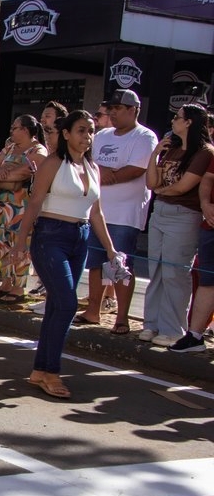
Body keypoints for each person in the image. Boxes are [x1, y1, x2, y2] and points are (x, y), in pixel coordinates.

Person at [10, 110, 116, 399]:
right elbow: (34, 204)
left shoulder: (93, 167)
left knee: (58, 306)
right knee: (68, 304)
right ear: (66, 133)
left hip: (80, 237)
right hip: (50, 235)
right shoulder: (53, 163)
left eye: (91, 131)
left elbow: (97, 212)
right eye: (81, 130)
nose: (88, 136)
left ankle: (40, 370)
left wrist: (110, 249)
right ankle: (51, 372)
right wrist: (20, 243)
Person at [77, 90, 159, 335]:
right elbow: (85, 162)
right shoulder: (102, 135)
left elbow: (135, 170)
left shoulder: (145, 136)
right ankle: (93, 310)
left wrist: (103, 173)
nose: (112, 113)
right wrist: (104, 172)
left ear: (133, 110)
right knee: (96, 264)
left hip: (125, 215)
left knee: (121, 266)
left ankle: (121, 318)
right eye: (110, 108)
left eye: (118, 108)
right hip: (96, 211)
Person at [141, 103, 214, 345]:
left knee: (175, 272)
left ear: (189, 122)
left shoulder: (204, 152)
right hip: (160, 211)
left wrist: (162, 190)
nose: (173, 120)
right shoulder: (171, 148)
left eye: (177, 117)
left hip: (184, 214)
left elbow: (183, 187)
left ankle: (173, 329)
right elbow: (151, 183)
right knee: (156, 270)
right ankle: (151, 324)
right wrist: (155, 154)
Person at [0, 115, 48, 303]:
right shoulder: (10, 147)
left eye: (15, 128)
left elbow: (26, 171)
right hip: (0, 205)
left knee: (20, 244)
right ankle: (5, 283)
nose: (11, 131)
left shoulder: (38, 150)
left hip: (21, 206)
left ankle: (18, 287)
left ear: (26, 130)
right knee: (0, 243)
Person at [170, 156, 214, 352]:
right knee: (207, 282)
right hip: (211, 226)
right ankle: (195, 336)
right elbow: (208, 178)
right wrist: (205, 204)